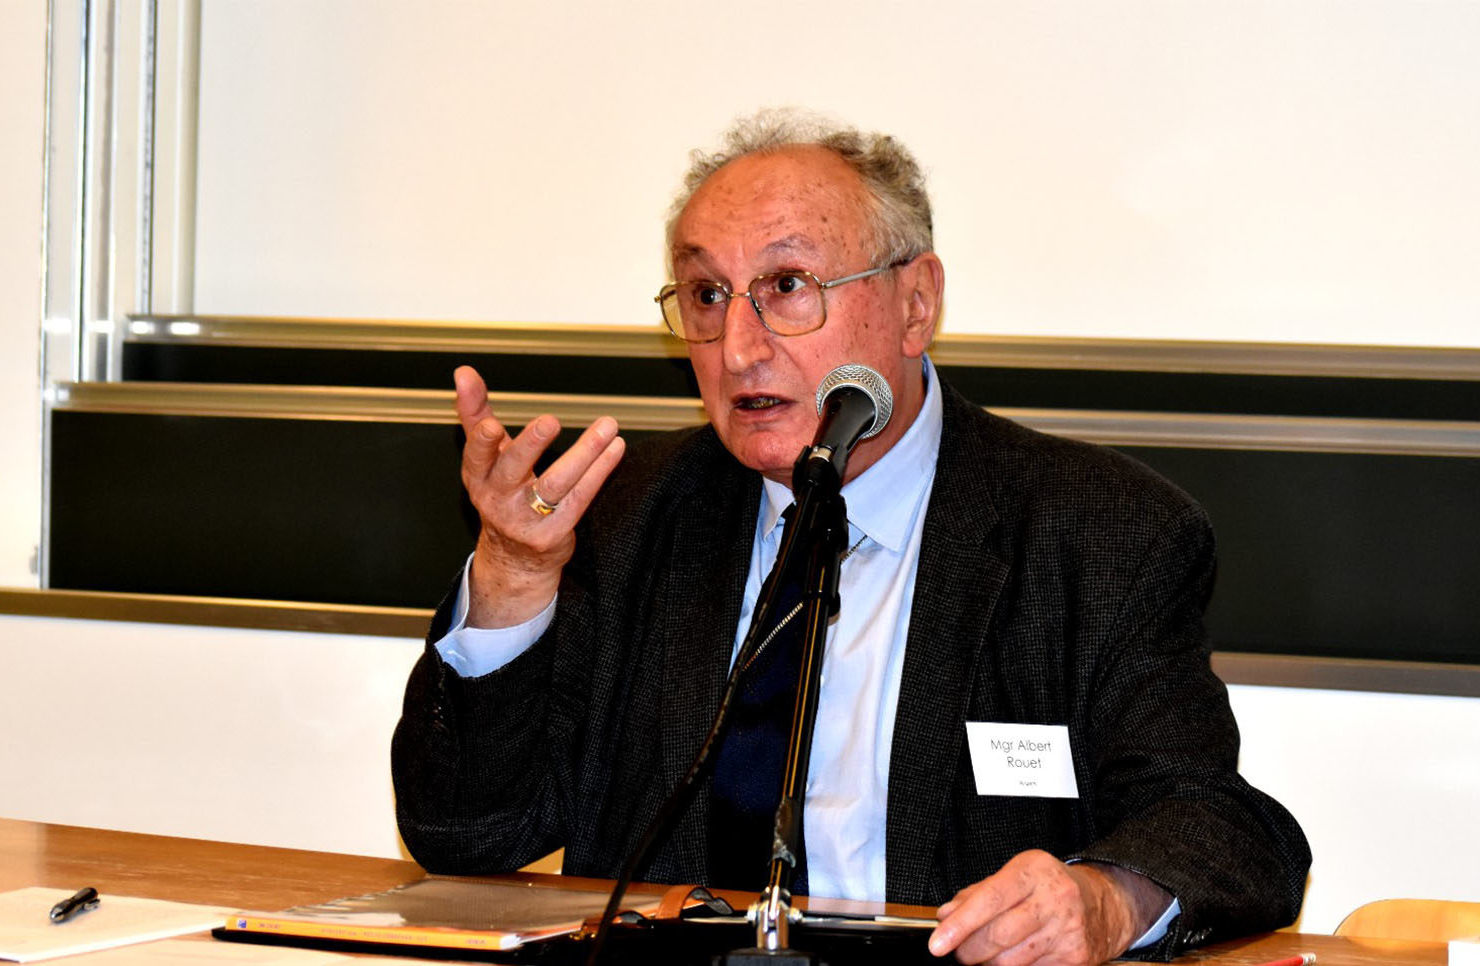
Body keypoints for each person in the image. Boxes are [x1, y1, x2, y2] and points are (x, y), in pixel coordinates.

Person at [392, 109, 1310, 964]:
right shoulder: (624, 514)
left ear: (916, 305)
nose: (739, 345)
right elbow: (468, 837)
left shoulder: (1099, 532)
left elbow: (1217, 824)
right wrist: (512, 578)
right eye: (708, 294)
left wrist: (1101, 902)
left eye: (787, 287)